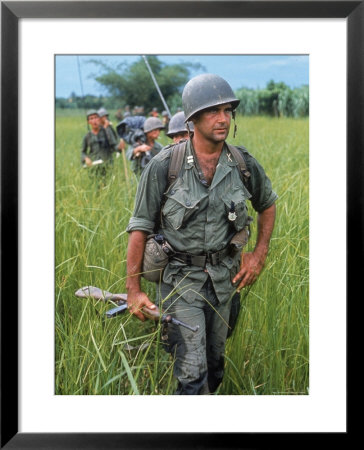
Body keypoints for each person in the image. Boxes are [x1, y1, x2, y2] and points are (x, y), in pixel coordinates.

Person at [125, 73, 277, 395]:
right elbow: (139, 227)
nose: (222, 119)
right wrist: (134, 290)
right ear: (193, 119)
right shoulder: (165, 165)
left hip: (224, 282)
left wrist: (258, 255)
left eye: (227, 111)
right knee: (192, 378)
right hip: (181, 284)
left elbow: (268, 204)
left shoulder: (242, 163)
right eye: (213, 112)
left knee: (215, 367)